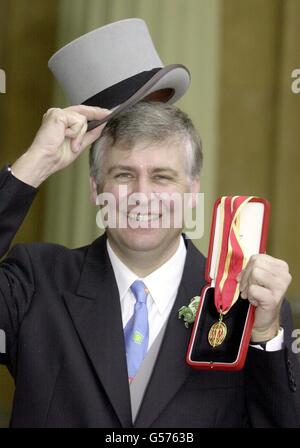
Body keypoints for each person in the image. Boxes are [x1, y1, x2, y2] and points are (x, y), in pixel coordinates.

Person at [0, 101, 299, 428]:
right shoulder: (35, 281)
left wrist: (265, 335)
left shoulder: (248, 302)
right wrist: (34, 165)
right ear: (96, 188)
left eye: (162, 177)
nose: (142, 195)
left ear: (192, 191)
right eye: (124, 174)